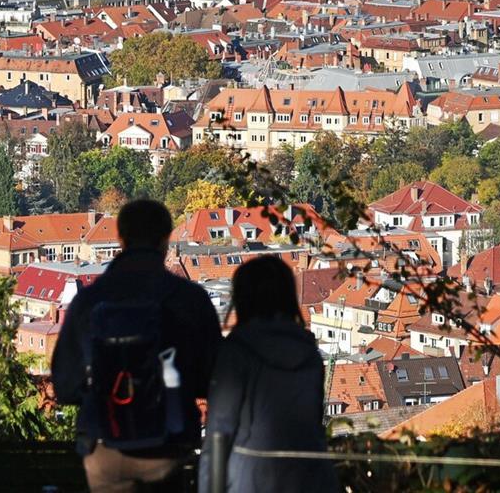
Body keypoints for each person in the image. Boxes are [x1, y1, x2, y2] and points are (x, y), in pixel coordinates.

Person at [52, 199, 222, 493]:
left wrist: (109, 393)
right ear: (166, 239)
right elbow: (215, 378)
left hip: (104, 445)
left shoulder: (89, 300)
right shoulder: (189, 299)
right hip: (167, 443)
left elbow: (65, 386)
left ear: (121, 238)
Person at [199, 255, 338, 493]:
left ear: (243, 299)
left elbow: (219, 433)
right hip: (310, 478)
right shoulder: (309, 352)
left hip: (251, 479)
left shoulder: (237, 352)